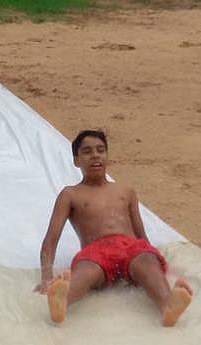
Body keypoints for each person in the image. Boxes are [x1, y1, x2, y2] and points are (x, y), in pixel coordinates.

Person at [36, 129, 192, 326]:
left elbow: (141, 234)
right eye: (87, 152)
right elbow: (51, 238)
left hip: (131, 247)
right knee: (85, 270)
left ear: (107, 155)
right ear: (76, 160)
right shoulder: (70, 194)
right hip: (96, 251)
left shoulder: (126, 191)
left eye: (100, 150)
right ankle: (62, 300)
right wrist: (46, 275)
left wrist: (155, 260)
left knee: (146, 259)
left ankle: (167, 305)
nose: (95, 155)